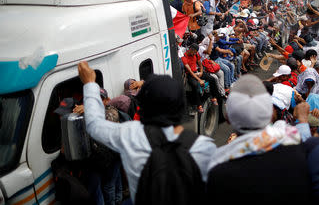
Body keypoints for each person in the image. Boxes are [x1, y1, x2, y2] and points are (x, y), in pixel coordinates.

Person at [77, 61, 216, 204]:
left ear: (144, 106)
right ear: (180, 105)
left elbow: (94, 125)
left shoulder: (131, 135)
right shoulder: (204, 147)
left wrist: (89, 84)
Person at [206, 75, 312, 205]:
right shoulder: (293, 141)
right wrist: (302, 120)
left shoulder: (216, 167)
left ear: (228, 118)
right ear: (270, 112)